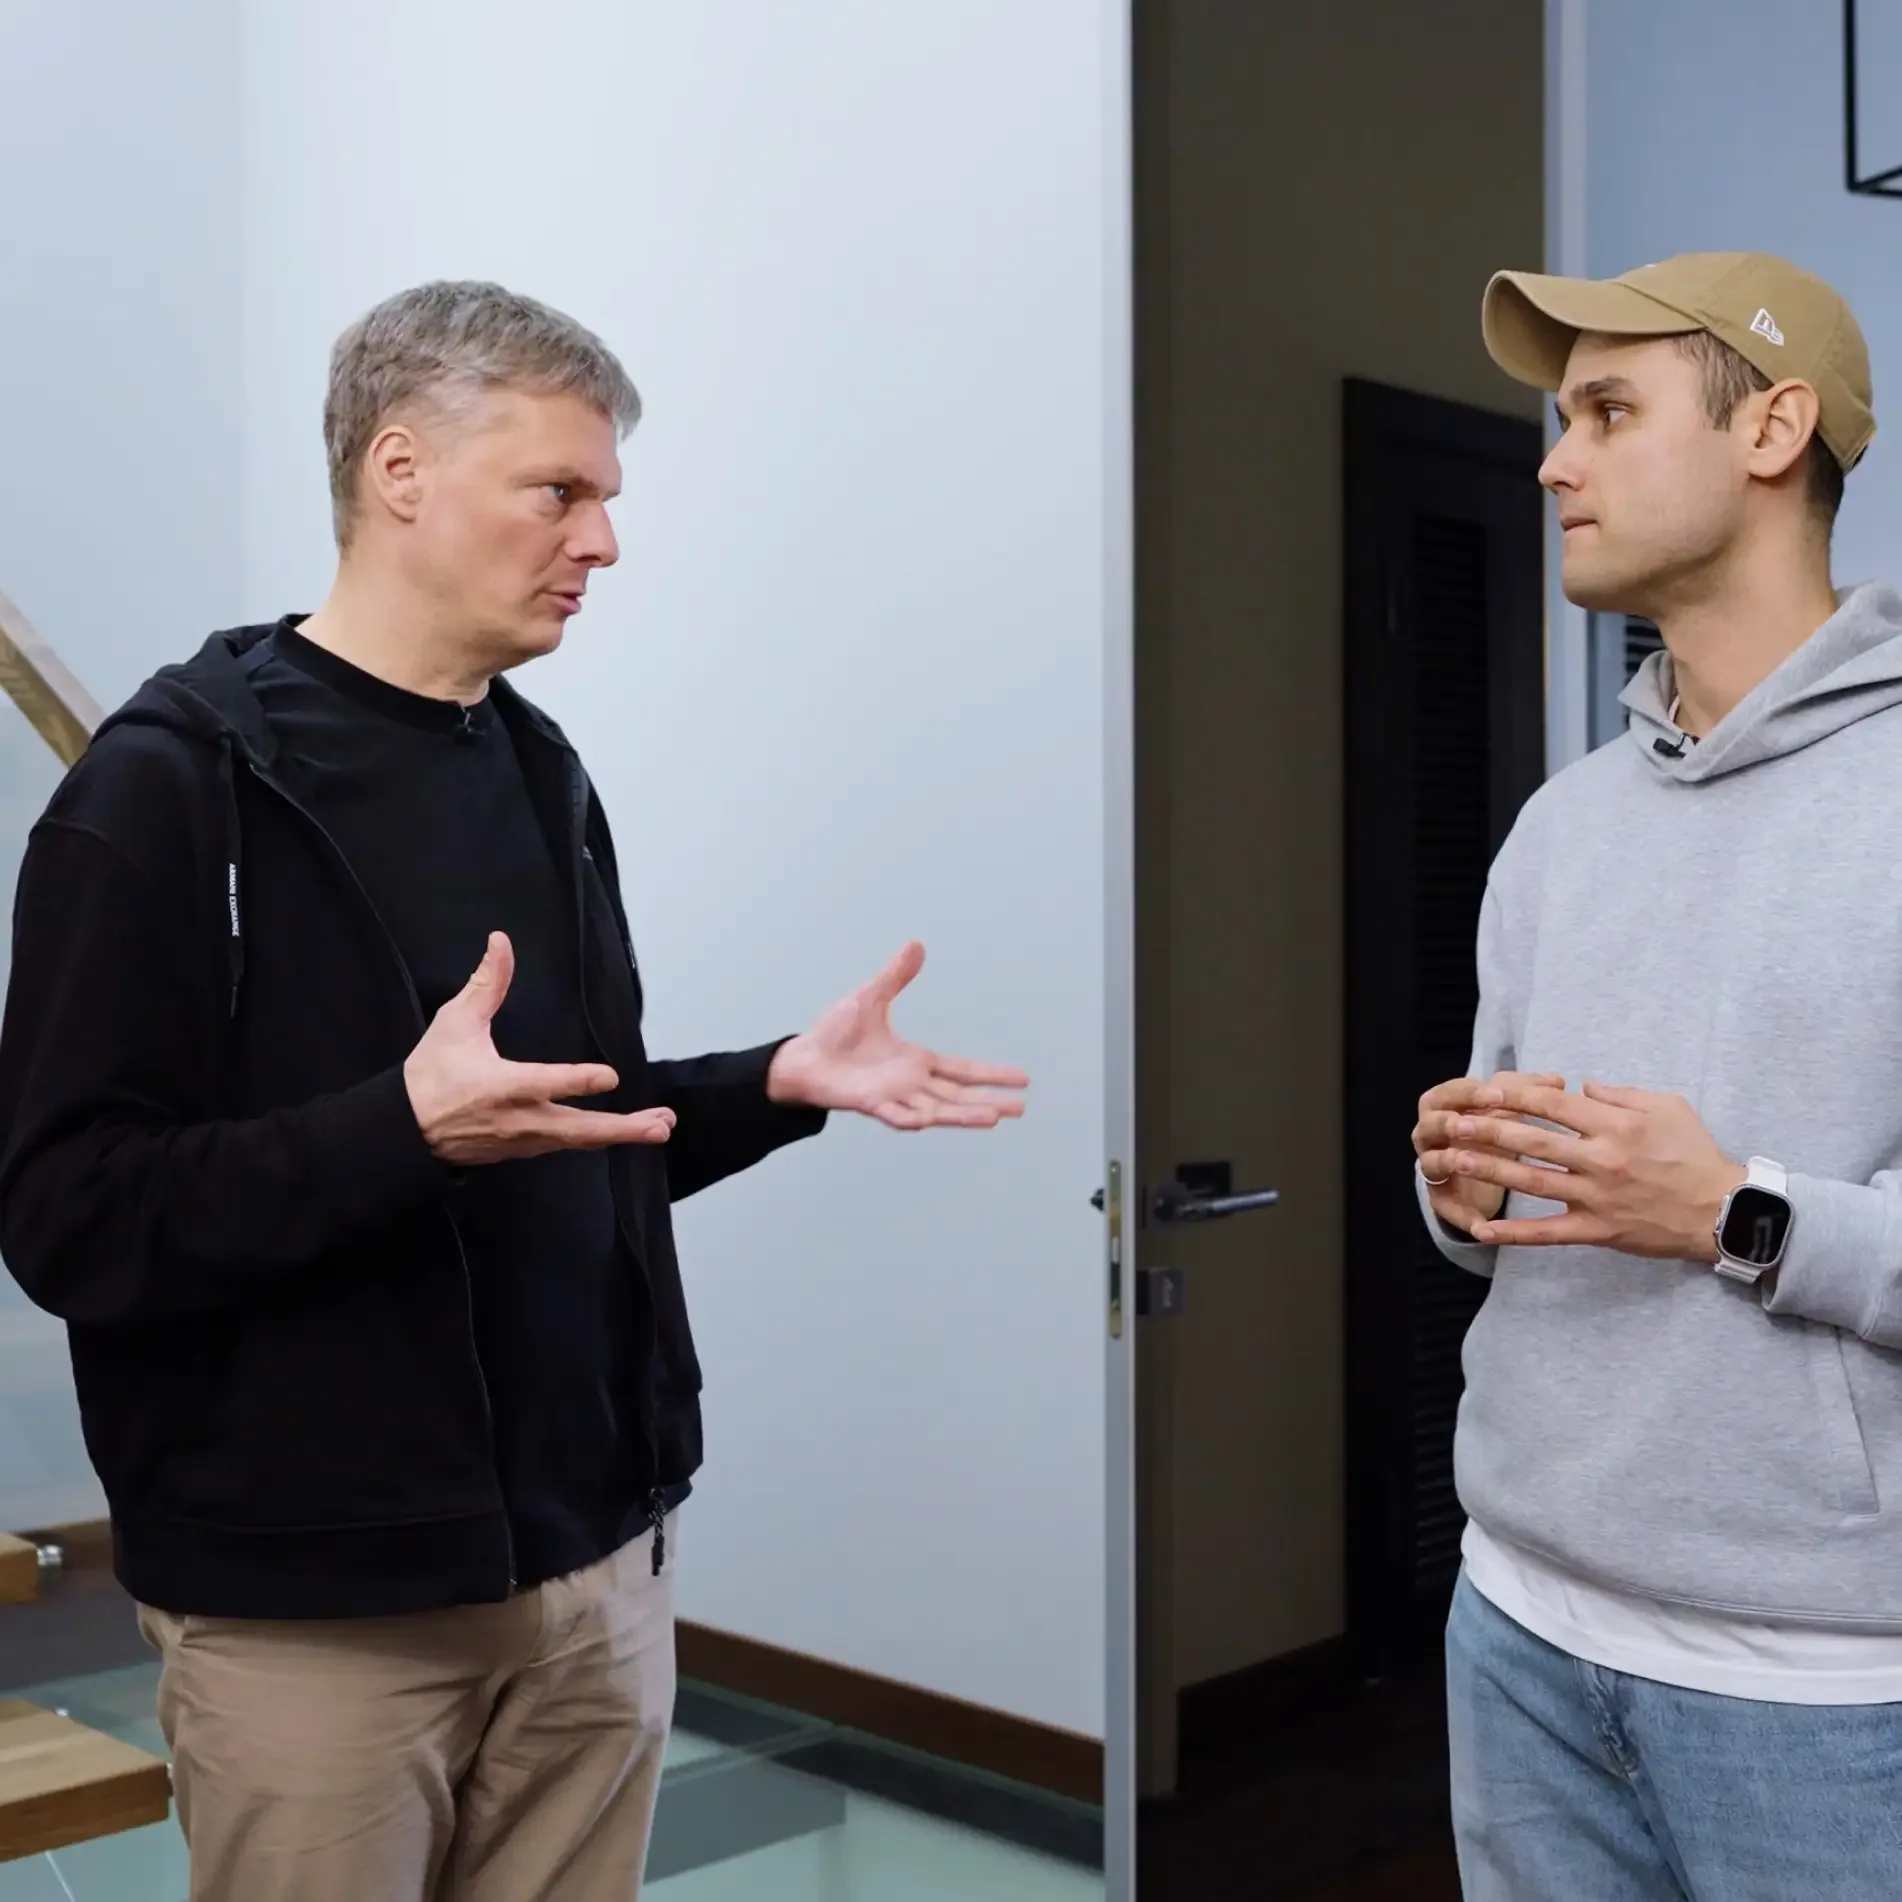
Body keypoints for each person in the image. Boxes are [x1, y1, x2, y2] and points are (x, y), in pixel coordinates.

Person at [0, 280, 1028, 1902]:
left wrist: (773, 1082)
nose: (600, 540)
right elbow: (71, 1219)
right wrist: (396, 1130)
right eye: (559, 490)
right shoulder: (157, 794)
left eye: (604, 496)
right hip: (319, 1626)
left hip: (597, 1584)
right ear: (399, 471)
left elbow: (555, 1125)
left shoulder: (542, 770)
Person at [1411, 251, 1902, 1900]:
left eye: (1607, 412)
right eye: (1560, 421)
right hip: (1514, 1627)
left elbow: (1713, 1207)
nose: (1555, 462)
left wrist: (1735, 1211)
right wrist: (1464, 1191)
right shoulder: (1561, 827)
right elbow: (1495, 1223)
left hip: (1825, 1695)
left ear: (1770, 429)